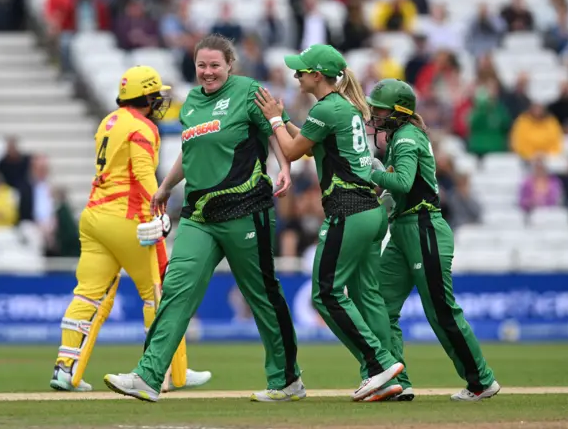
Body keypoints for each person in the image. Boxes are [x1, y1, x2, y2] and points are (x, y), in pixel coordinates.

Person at [103, 34, 303, 403]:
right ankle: (149, 375)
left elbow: (273, 130)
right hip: (198, 214)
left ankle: (287, 379)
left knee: (262, 295)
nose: (207, 72)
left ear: (230, 65)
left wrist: (285, 167)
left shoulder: (248, 91)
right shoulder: (191, 102)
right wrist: (164, 188)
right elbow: (191, 150)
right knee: (177, 289)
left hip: (246, 209)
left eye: (214, 65)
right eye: (201, 65)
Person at [253, 44, 404, 402]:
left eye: (302, 71)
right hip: (370, 210)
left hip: (348, 210)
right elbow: (307, 142)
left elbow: (291, 151)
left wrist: (275, 119)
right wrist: (284, 119)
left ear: (317, 76)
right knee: (367, 296)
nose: (296, 75)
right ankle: (395, 377)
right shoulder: (344, 106)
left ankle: (379, 364)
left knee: (325, 293)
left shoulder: (326, 108)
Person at [49, 65, 211, 394]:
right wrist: (159, 209)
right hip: (128, 218)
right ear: (146, 96)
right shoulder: (143, 126)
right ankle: (162, 372)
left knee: (87, 294)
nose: (159, 100)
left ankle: (66, 369)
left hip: (94, 215)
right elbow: (141, 171)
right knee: (158, 294)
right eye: (156, 94)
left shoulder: (108, 121)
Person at [365, 78, 500, 401]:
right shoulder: (401, 136)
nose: (374, 115)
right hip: (404, 229)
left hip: (423, 227)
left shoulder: (408, 137)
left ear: (399, 112)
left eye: (379, 110)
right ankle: (396, 381)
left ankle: (481, 381)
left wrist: (369, 170)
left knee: (440, 310)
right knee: (380, 306)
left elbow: (403, 181)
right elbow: (395, 190)